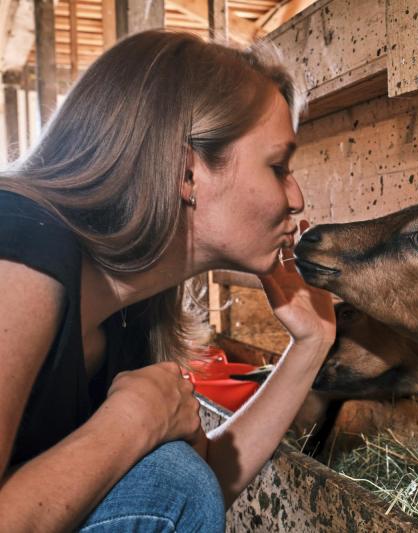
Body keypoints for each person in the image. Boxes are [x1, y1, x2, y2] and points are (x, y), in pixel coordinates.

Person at [0, 29, 336, 530]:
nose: (297, 197)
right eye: (278, 166)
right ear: (187, 172)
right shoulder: (19, 246)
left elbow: (184, 500)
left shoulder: (135, 310)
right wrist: (130, 423)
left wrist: (312, 343)